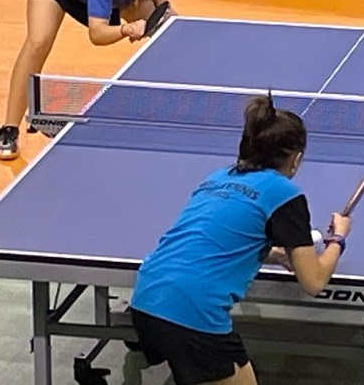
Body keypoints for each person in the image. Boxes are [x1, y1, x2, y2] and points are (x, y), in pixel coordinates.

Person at [129, 94, 352, 385]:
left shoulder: (217, 178)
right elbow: (314, 282)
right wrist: (338, 238)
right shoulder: (286, 194)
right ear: (296, 159)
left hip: (146, 299)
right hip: (193, 312)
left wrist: (273, 255)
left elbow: (214, 239)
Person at [0, 0, 175, 160]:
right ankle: (9, 130)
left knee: (162, 29)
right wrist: (126, 29)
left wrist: (164, 7)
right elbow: (97, 33)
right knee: (38, 41)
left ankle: (171, 105)